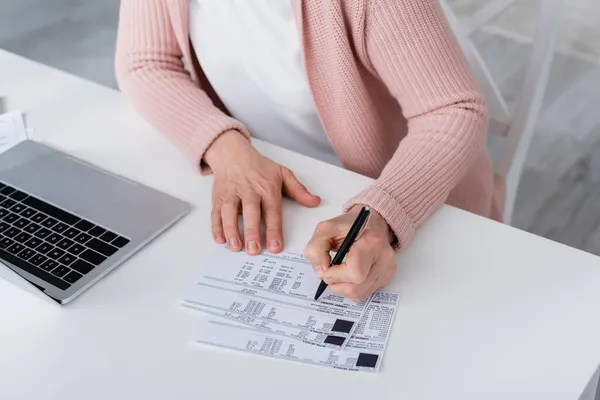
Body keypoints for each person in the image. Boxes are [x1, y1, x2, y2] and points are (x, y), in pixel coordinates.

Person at [115, 0, 503, 301]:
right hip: (283, 192)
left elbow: (453, 111)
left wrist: (381, 213)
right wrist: (227, 149)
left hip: (406, 196)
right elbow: (146, 62)